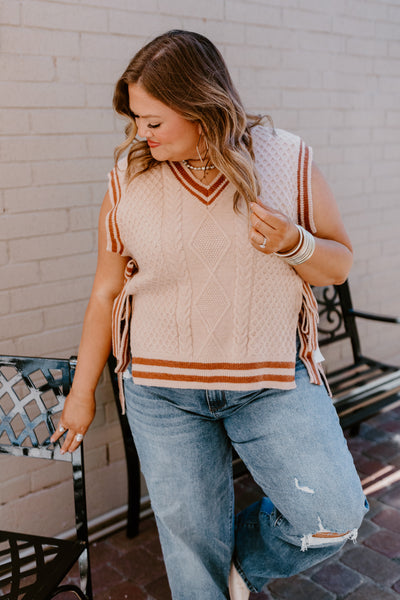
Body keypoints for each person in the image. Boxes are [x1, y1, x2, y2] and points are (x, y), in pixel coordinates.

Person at [51, 30, 368, 600]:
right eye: (135, 121)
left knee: (335, 511)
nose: (139, 135)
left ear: (200, 105)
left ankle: (238, 566)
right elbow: (105, 294)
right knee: (190, 560)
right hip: (161, 394)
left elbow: (338, 265)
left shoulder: (285, 158)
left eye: (153, 121)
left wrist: (294, 244)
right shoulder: (128, 177)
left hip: (270, 382)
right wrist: (82, 394)